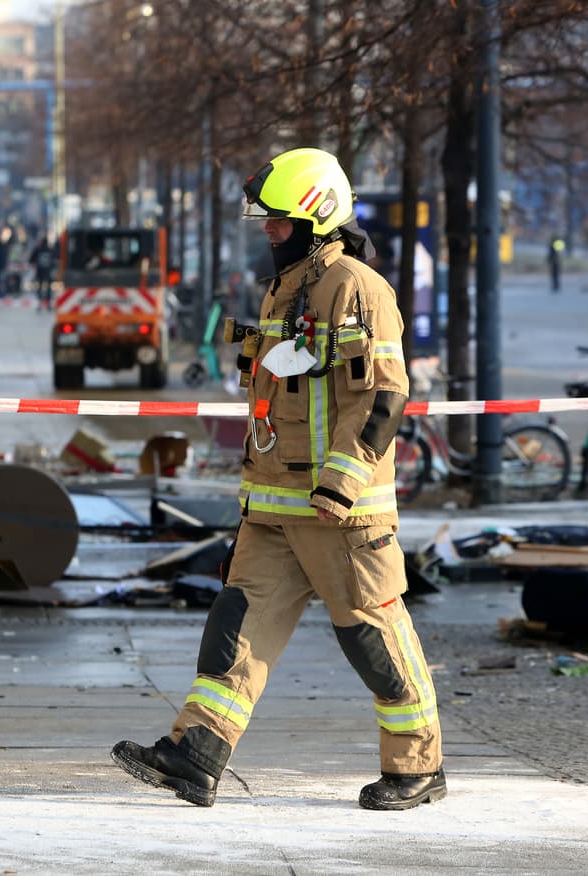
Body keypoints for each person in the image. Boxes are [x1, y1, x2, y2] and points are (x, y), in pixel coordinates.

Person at [111, 147, 444, 811]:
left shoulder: (356, 288)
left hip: (339, 512)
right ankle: (196, 752)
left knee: (373, 639)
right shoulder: (287, 287)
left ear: (316, 219)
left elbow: (380, 396)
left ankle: (418, 766)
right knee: (236, 629)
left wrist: (341, 483)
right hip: (273, 504)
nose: (268, 229)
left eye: (280, 219)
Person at [30, 235, 55, 310]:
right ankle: (48, 304)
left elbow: (31, 260)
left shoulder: (38, 249)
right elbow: (54, 261)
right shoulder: (50, 250)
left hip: (40, 272)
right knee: (48, 288)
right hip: (49, 272)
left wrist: (35, 264)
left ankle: (40, 303)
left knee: (40, 288)